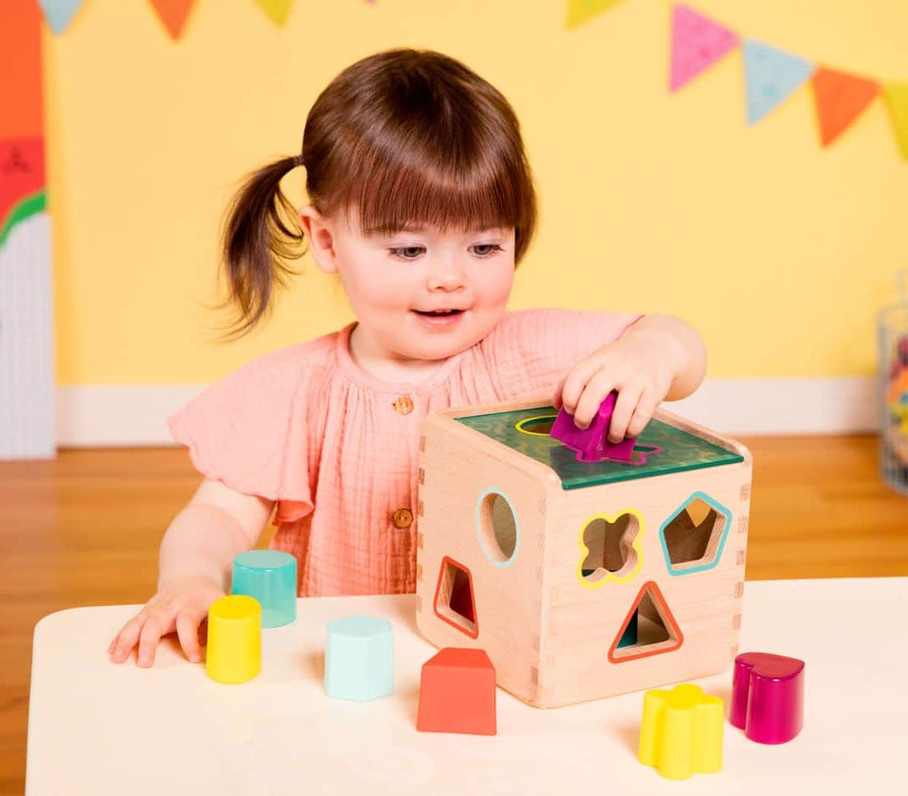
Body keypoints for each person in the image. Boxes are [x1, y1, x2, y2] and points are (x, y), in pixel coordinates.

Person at [108, 48, 706, 668]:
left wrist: (651, 354)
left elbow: (673, 340)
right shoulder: (292, 389)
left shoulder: (526, 354)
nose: (449, 279)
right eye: (409, 251)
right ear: (327, 241)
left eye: (483, 245)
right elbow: (217, 517)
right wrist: (190, 580)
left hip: (495, 655)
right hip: (333, 661)